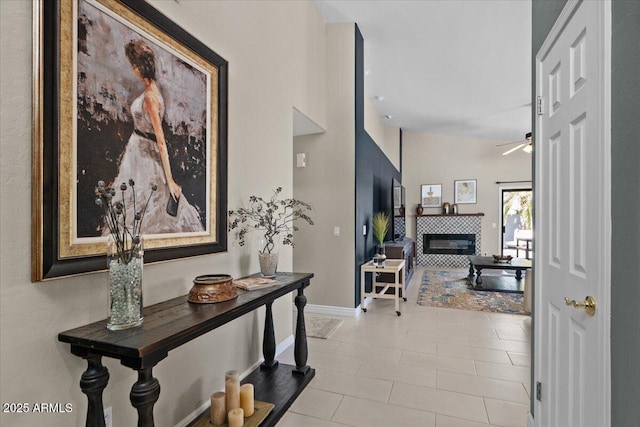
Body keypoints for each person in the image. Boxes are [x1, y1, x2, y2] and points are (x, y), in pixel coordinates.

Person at [108, 39, 204, 234]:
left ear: (139, 67)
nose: (133, 69)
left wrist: (170, 180)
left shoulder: (151, 97)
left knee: (145, 204)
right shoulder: (150, 92)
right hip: (136, 151)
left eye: (134, 65)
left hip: (144, 155)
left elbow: (161, 141)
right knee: (132, 203)